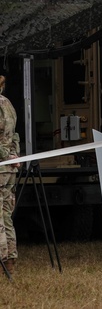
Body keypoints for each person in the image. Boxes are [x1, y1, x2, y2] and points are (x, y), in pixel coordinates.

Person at [0, 75, 20, 273]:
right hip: (9, 167)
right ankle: (10, 262)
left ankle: (2, 260)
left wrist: (6, 154)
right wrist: (15, 155)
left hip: (1, 165)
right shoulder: (8, 105)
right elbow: (14, 135)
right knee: (6, 214)